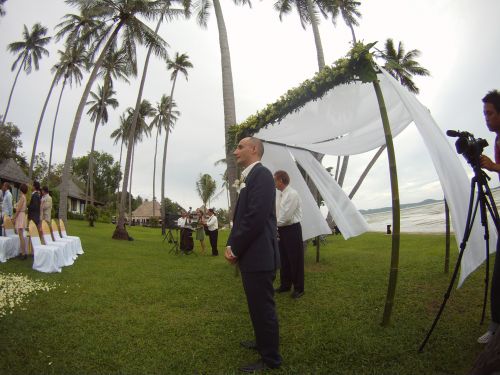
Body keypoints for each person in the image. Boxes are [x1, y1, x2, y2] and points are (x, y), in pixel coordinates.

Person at [224, 137, 282, 372]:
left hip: (259, 256)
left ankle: (271, 359)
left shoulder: (263, 175)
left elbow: (256, 218)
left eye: (240, 147)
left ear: (254, 149)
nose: (235, 151)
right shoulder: (251, 177)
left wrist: (235, 248)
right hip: (252, 256)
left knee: (263, 308)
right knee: (255, 306)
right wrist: (230, 244)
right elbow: (240, 219)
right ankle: (261, 342)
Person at [478, 89, 500, 344]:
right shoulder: (495, 140)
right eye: (484, 114)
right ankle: (495, 326)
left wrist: (493, 166)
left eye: (490, 113)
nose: (486, 118)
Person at [274, 170, 305, 299]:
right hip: (282, 229)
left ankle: (299, 288)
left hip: (292, 229)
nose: (273, 182)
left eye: (274, 180)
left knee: (295, 259)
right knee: (284, 259)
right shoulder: (280, 195)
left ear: (281, 180)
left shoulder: (292, 194)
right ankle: (285, 285)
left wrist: (273, 225)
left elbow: (286, 217)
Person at [12, 183, 28, 260]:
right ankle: (23, 252)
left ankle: (23, 253)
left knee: (21, 235)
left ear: (21, 189)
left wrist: (14, 218)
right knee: (20, 235)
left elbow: (18, 209)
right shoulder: (24, 197)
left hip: (20, 215)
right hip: (22, 215)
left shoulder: (22, 197)